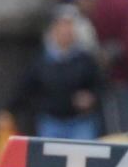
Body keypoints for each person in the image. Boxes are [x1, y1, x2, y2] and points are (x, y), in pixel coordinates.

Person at [6, 9, 104, 139]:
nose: (65, 32)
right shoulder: (41, 60)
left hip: (80, 121)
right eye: (61, 28)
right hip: (50, 120)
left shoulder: (85, 60)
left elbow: (100, 85)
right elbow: (25, 87)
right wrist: (8, 111)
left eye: (69, 28)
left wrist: (91, 98)